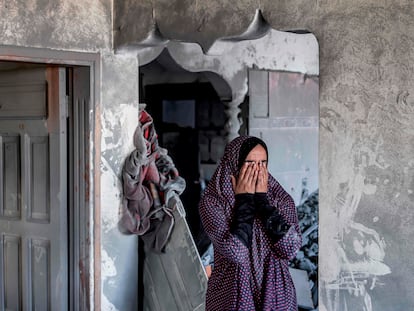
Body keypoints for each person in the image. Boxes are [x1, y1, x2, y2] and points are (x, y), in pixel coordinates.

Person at [199, 135, 302, 311]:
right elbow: (236, 252)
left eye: (262, 163)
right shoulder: (213, 202)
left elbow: (290, 248)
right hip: (230, 296)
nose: (256, 170)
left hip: (277, 295)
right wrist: (244, 200)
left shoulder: (281, 200)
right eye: (249, 164)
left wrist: (263, 202)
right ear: (234, 164)